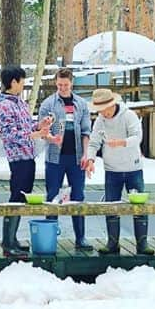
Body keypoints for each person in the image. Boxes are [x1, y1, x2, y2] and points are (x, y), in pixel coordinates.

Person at [85, 87, 153, 256]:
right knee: (111, 205)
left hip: (133, 168)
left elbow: (137, 136)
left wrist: (122, 142)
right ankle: (112, 243)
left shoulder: (128, 115)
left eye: (104, 109)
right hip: (112, 169)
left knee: (138, 205)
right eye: (99, 110)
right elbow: (94, 142)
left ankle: (142, 243)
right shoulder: (100, 120)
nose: (103, 113)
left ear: (112, 104)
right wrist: (91, 159)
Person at [0, 65, 54, 258]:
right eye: (22, 81)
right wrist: (34, 134)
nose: (23, 85)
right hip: (17, 157)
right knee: (16, 197)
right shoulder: (4, 105)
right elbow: (8, 134)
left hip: (28, 155)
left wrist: (40, 125)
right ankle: (7, 242)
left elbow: (27, 126)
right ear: (13, 82)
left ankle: (12, 239)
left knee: (22, 196)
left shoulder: (19, 102)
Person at [37, 67, 93, 250]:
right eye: (59, 84)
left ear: (72, 83)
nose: (62, 88)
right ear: (55, 83)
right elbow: (41, 131)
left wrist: (86, 154)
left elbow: (86, 132)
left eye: (66, 85)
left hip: (76, 158)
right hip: (55, 158)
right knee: (52, 196)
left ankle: (81, 238)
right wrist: (50, 135)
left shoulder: (82, 104)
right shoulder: (47, 104)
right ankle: (49, 238)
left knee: (78, 196)